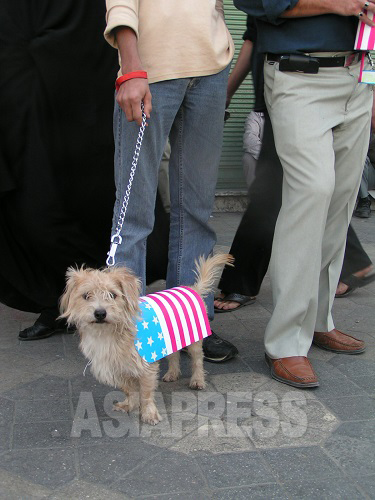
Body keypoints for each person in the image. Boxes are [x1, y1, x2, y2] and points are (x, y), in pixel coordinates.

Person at [233, 0, 373, 388]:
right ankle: (285, 341)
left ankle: (317, 320)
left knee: (341, 199)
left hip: (359, 75)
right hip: (299, 74)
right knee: (312, 191)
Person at [104, 0, 238, 362]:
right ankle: (127, 332)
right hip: (150, 69)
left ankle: (191, 328)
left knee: (196, 210)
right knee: (134, 214)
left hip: (210, 71)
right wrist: (131, 67)